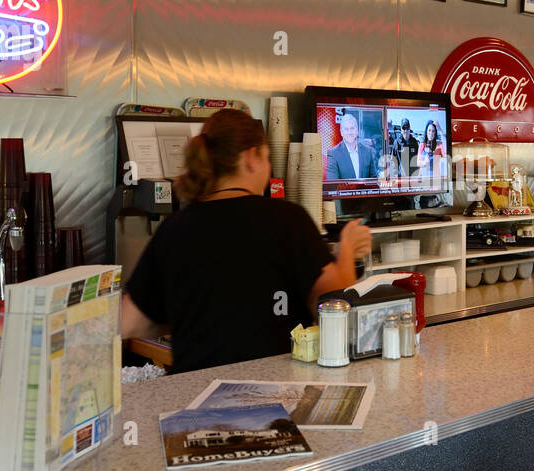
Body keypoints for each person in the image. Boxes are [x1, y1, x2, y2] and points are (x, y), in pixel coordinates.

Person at [121, 109, 371, 373]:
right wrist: (347, 251)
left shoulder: (174, 227)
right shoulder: (287, 220)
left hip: (192, 400)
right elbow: (331, 306)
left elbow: (130, 322)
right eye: (267, 157)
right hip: (276, 393)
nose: (269, 167)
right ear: (251, 158)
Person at [325, 112, 379, 180]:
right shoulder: (333, 154)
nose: (350, 132)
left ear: (357, 131)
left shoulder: (368, 151)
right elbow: (332, 185)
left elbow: (374, 180)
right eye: (346, 129)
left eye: (352, 128)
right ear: (341, 132)